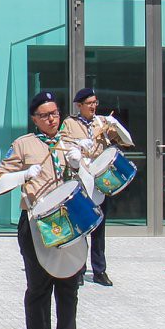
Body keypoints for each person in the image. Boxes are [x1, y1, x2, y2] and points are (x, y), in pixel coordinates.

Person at [0, 90, 88, 329]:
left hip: (69, 219)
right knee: (38, 286)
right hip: (37, 220)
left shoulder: (70, 142)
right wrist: (24, 174)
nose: (52, 119)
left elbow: (91, 181)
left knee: (69, 284)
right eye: (45, 115)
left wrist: (79, 163)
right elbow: (0, 180)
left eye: (55, 113)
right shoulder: (24, 144)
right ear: (35, 118)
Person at [60, 88, 133, 287]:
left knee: (99, 228)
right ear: (79, 105)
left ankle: (99, 270)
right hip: (82, 178)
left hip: (100, 181)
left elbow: (127, 142)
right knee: (82, 225)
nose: (93, 106)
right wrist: (77, 145)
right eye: (89, 103)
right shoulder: (70, 123)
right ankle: (78, 269)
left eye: (95, 102)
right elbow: (63, 147)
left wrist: (116, 126)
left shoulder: (102, 122)